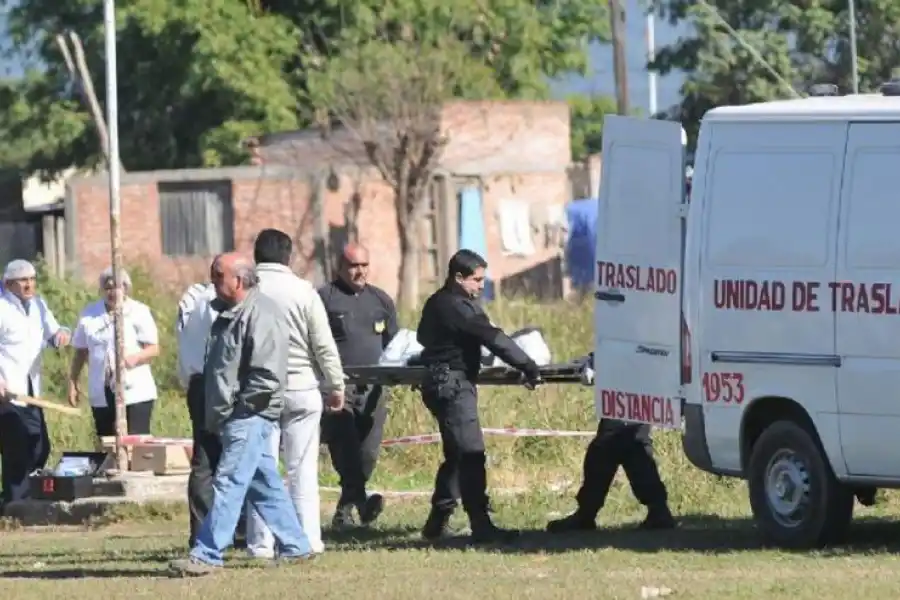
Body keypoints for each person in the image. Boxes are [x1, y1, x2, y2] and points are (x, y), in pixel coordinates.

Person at [169, 252, 313, 577]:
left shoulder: (262, 315)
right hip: (235, 415)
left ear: (238, 280)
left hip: (248, 415)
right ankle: (296, 546)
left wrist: (240, 410)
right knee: (263, 483)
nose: (212, 281)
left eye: (218, 275)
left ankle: (207, 554)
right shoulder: (229, 311)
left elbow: (266, 375)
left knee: (229, 481)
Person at [416, 249, 542, 544]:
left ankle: (437, 521)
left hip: (440, 383)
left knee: (457, 454)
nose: (481, 285)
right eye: (477, 280)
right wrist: (527, 364)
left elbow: (423, 337)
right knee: (471, 454)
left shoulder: (436, 302)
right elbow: (491, 336)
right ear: (458, 278)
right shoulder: (458, 306)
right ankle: (481, 524)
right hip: (453, 385)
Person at [245, 229, 345, 558]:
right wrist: (335, 385)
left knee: (261, 470)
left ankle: (261, 544)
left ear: (256, 254)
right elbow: (323, 344)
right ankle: (308, 540)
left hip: (259, 391)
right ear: (288, 256)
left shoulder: (246, 288)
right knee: (301, 471)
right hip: (302, 387)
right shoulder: (303, 290)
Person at [547, 352, 676, 533]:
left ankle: (587, 514)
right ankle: (658, 511)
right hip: (638, 379)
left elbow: (627, 344)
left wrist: (596, 361)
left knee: (609, 448)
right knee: (629, 447)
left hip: (634, 380)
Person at [318, 242, 398, 528]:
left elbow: (394, 344)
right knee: (346, 449)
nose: (360, 271)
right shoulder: (324, 298)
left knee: (368, 452)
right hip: (339, 387)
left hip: (375, 387)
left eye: (364, 265)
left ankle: (349, 507)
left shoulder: (381, 300)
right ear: (340, 267)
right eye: (353, 265)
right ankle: (359, 504)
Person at [175, 263, 248, 550]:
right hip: (217, 381)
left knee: (205, 460)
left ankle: (202, 533)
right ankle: (237, 529)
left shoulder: (193, 299)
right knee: (230, 456)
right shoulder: (217, 304)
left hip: (197, 382)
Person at [0, 260, 70, 508]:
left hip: (32, 390)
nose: (29, 284)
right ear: (9, 284)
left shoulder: (39, 305)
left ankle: (28, 494)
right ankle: (15, 504)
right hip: (7, 390)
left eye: (32, 279)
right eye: (23, 280)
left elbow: (54, 332)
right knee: (16, 447)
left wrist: (61, 334)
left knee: (40, 446)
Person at [68, 268, 160, 437]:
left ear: (125, 288)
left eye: (116, 287)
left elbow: (153, 349)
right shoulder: (90, 315)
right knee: (107, 442)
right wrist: (73, 381)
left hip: (135, 391)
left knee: (134, 442)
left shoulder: (138, 311)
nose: (112, 292)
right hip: (102, 389)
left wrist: (135, 358)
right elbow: (80, 351)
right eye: (108, 288)